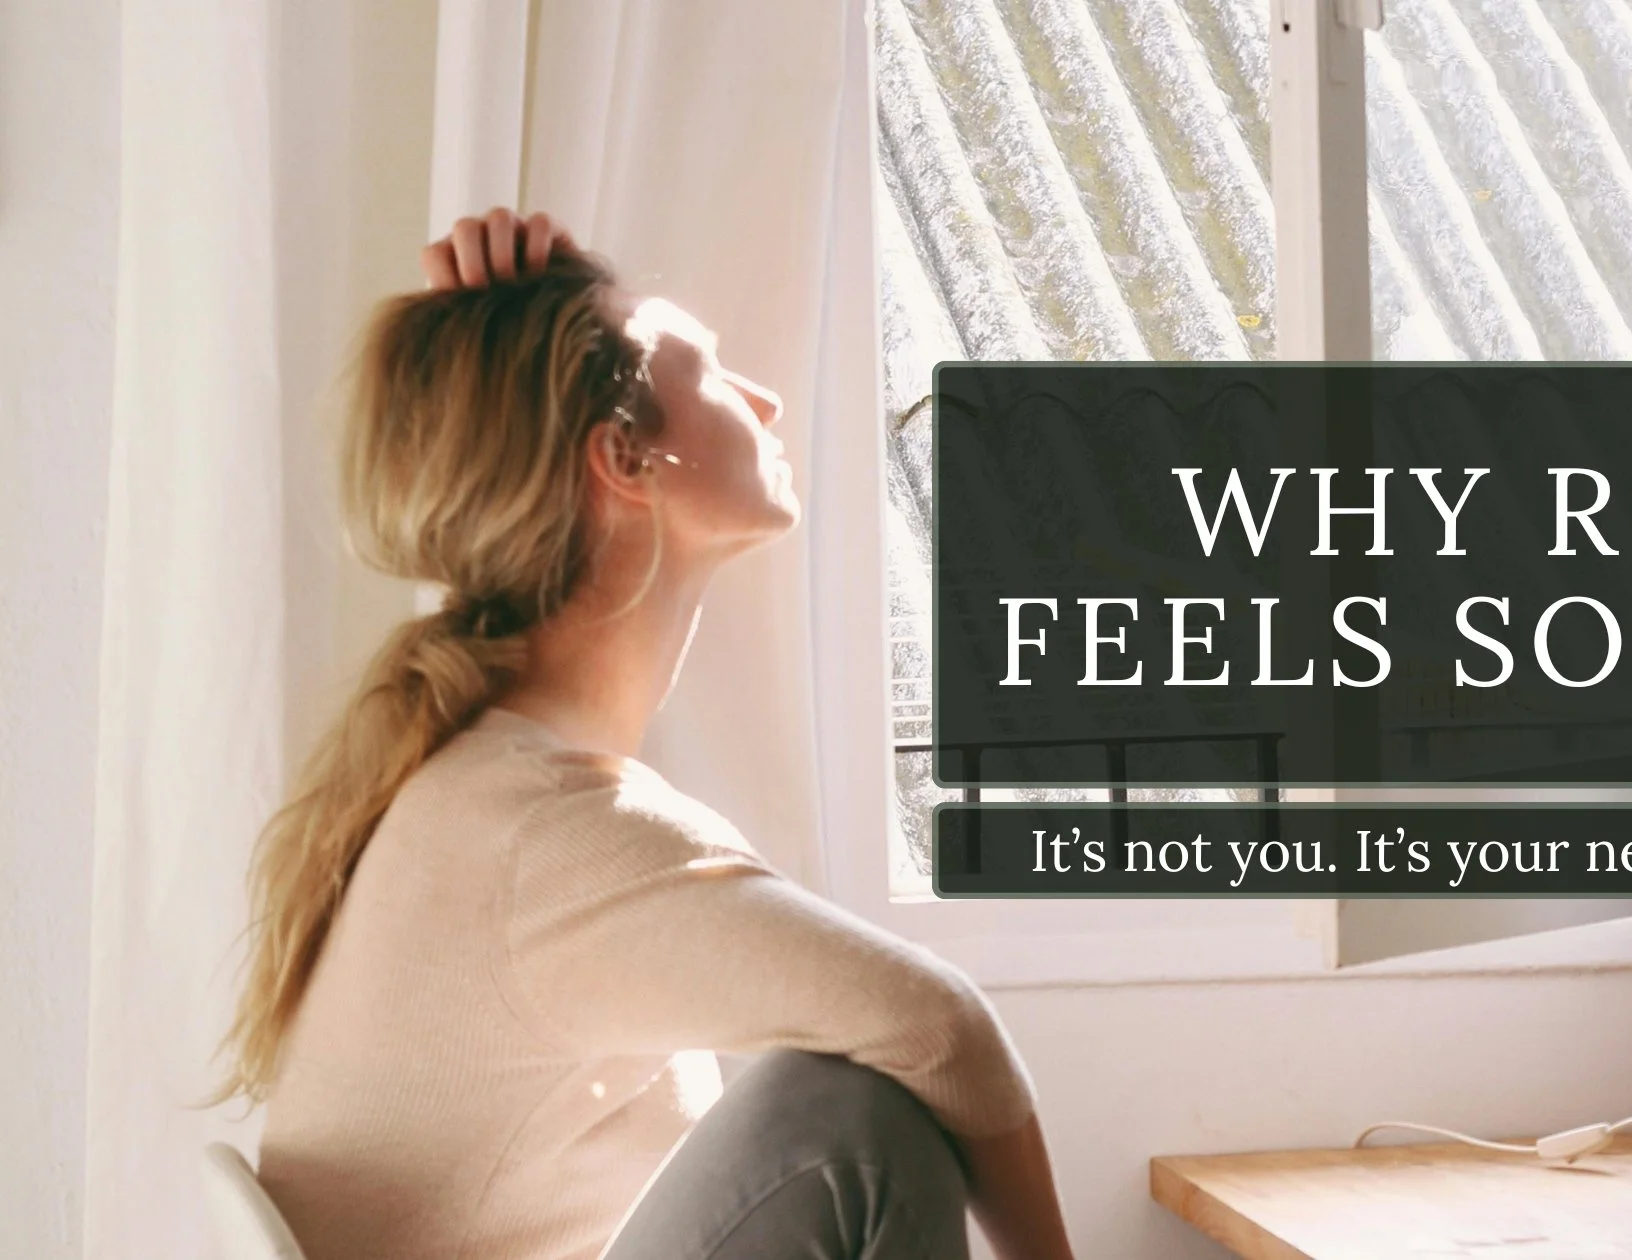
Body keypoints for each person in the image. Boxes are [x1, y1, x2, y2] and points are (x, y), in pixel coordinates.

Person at [213, 209, 1075, 1260]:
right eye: (709, 373)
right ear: (624, 458)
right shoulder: (539, 832)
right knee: (843, 1122)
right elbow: (941, 1029)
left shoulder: (491, 787)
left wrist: (528, 318)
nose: (763, 398)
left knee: (828, 1097)